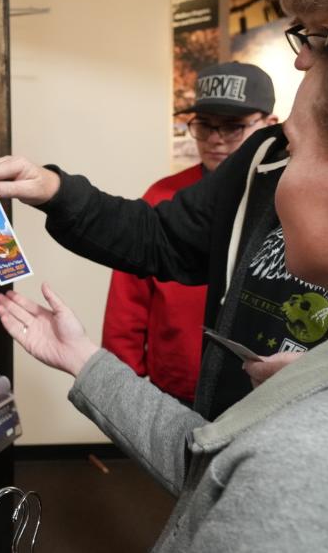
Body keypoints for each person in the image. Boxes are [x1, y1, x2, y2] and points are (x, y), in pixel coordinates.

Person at [0, 0, 328, 550]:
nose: (272, 175)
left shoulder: (310, 457)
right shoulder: (322, 403)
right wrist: (82, 356)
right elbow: (211, 457)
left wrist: (310, 401)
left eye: (294, 151)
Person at [0, 0, 328, 419]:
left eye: (324, 37)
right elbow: (161, 238)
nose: (303, 57)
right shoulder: (263, 158)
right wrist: (55, 191)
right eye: (301, 33)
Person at [102, 63, 277, 404]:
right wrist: (122, 391)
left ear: (269, 126)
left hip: (259, 390)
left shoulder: (288, 198)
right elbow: (127, 307)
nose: (215, 138)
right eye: (205, 125)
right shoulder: (162, 196)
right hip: (174, 388)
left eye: (233, 126)